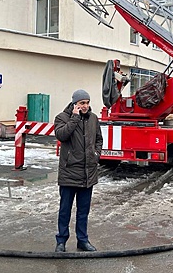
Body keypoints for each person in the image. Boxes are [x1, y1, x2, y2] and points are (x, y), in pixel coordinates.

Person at [54, 89, 103, 252]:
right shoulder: (62, 117)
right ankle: (61, 241)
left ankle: (82, 240)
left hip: (88, 173)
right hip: (69, 173)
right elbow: (61, 135)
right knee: (64, 210)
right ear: (75, 103)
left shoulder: (93, 119)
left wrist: (96, 154)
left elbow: (98, 139)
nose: (86, 106)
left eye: (87, 102)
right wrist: (74, 118)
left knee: (83, 211)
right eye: (82, 103)